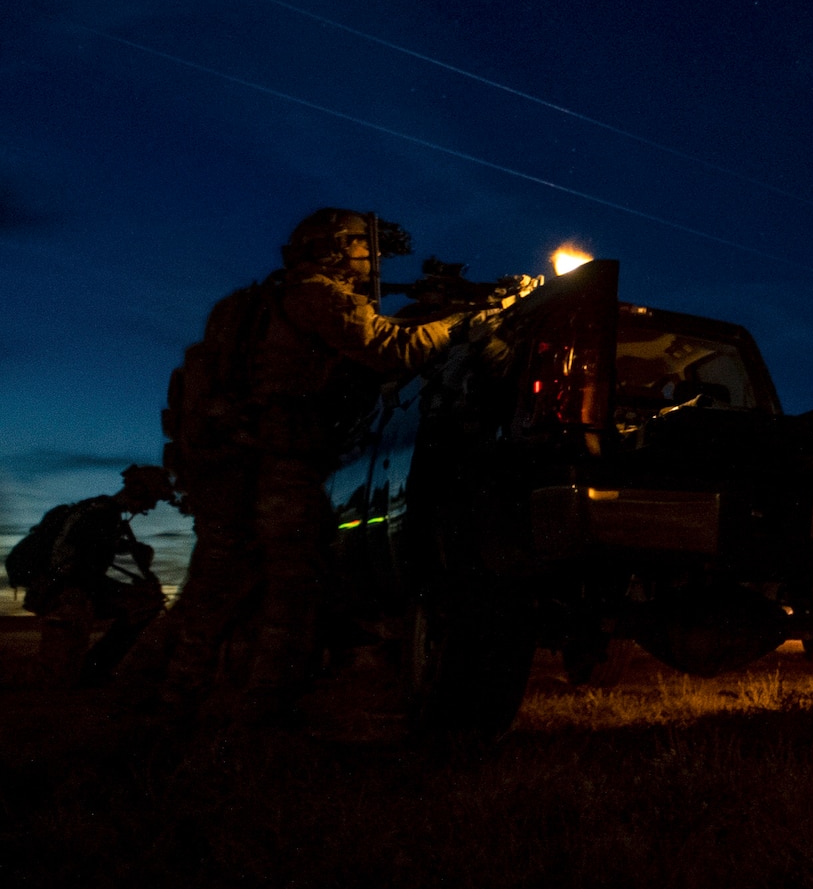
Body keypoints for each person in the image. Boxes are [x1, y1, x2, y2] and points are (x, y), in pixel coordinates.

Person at [153, 208, 476, 719]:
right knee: (292, 585)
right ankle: (265, 703)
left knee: (212, 588)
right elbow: (390, 349)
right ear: (332, 249)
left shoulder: (254, 305)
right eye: (361, 249)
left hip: (228, 467)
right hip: (280, 466)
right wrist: (466, 322)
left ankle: (164, 696)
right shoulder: (317, 295)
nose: (369, 260)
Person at [5, 465, 174, 686]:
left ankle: (92, 672)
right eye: (151, 498)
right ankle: (90, 672)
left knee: (142, 602)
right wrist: (127, 589)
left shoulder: (99, 512)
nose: (150, 507)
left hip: (67, 590)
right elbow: (82, 573)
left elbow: (88, 555)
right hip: (66, 595)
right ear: (139, 490)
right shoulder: (102, 516)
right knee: (51, 680)